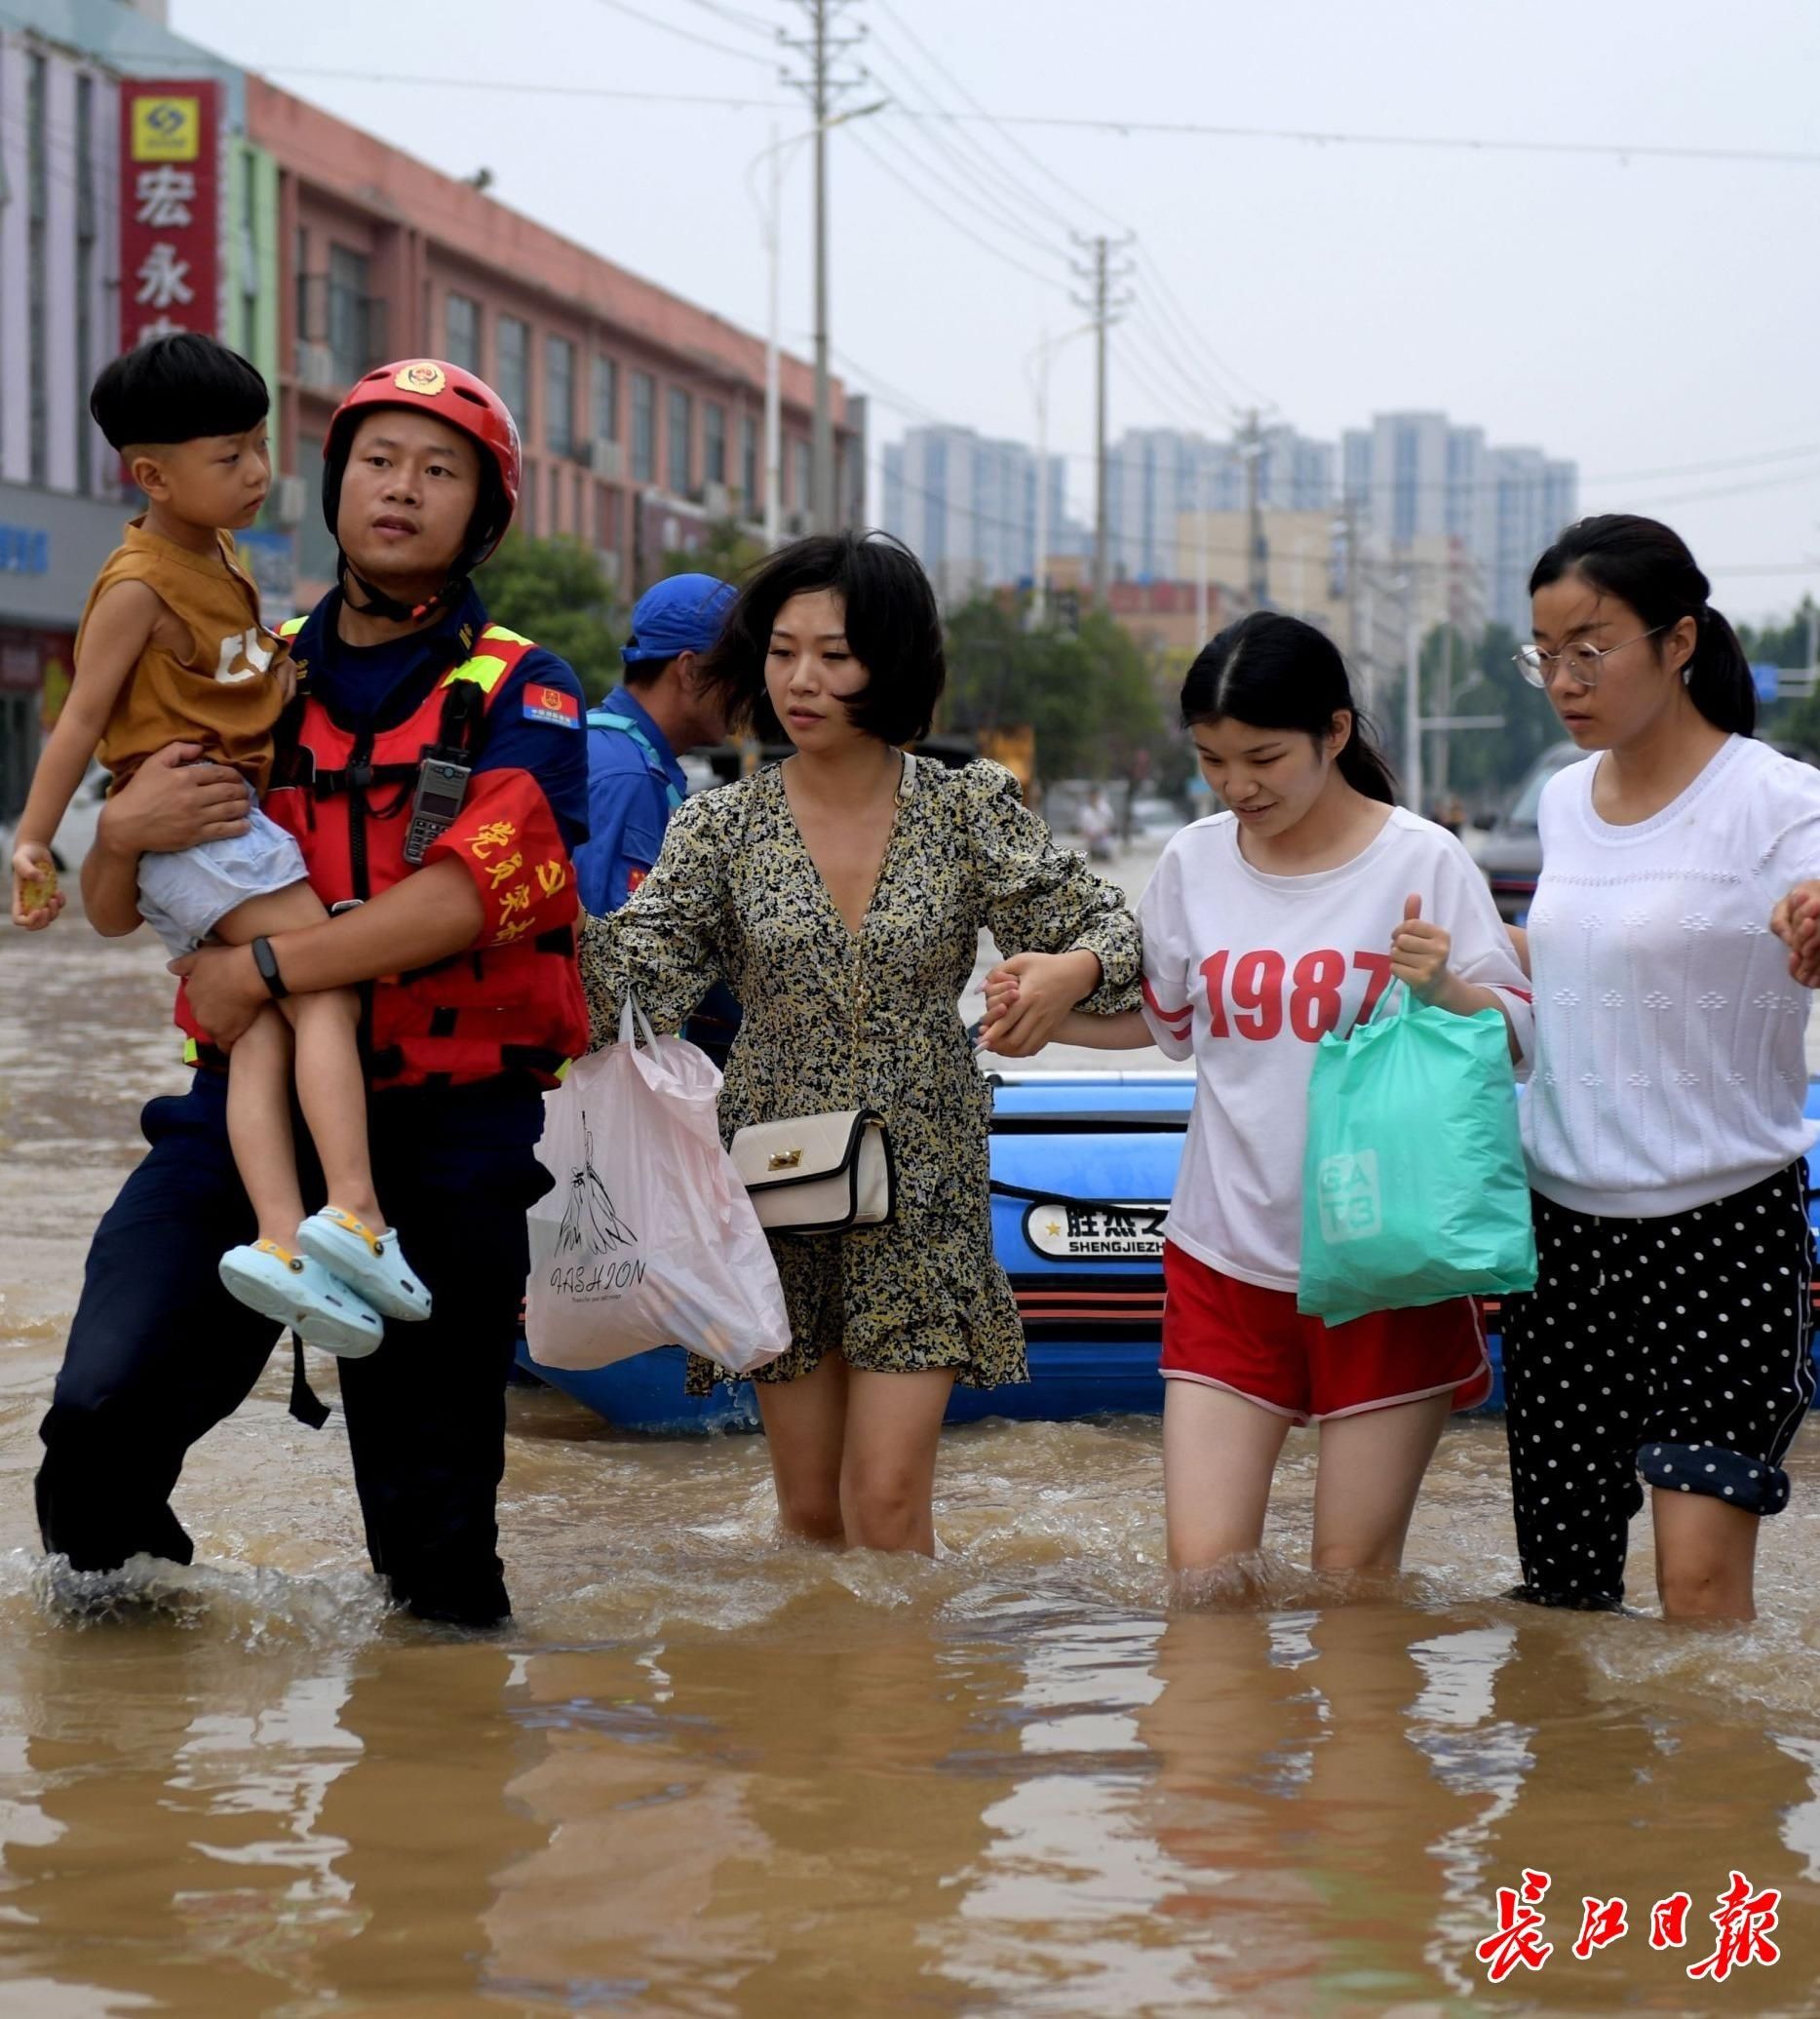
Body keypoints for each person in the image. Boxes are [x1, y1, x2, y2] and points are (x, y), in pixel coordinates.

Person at [34, 357, 590, 1628]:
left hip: (446, 1145)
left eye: (438, 469)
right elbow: (121, 906)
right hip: (243, 1110)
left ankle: (425, 1786)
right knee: (98, 1416)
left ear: (481, 512)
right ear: (334, 485)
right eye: (377, 461)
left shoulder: (523, 687)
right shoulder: (244, 667)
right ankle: (127, 1742)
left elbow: (468, 895)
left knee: (435, 1545)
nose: (401, 488)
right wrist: (116, 834)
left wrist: (263, 965)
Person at [578, 530, 1140, 1555]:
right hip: (772, 1182)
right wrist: (498, 902)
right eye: (782, 651)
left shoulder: (967, 807)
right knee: (807, 1515)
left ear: (890, 661)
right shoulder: (720, 828)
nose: (801, 680)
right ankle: (814, 1705)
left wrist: (1070, 971)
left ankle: (901, 1708)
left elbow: (1112, 929)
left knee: (885, 1505)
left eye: (833, 654)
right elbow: (628, 982)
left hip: (923, 1180)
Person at [984, 613, 1532, 1584]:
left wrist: (1444, 988)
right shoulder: (1194, 862)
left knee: (1351, 1588)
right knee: (1201, 1584)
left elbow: (1517, 1040)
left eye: (1262, 758)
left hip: (1382, 1260)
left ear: (1332, 733)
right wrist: (1046, 1011)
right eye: (1211, 759)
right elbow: (1169, 1025)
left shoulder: (1421, 862)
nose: (1236, 786)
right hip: (1224, 1254)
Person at [9, 333, 424, 1354]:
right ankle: (356, 1210)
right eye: (231, 455)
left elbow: (248, 676)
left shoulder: (218, 558)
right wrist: (30, 840)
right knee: (321, 979)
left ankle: (281, 1242)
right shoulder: (137, 585)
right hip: (201, 830)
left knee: (262, 1029)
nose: (259, 472)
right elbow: (76, 721)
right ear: (151, 475)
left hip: (219, 830)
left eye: (259, 446)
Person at [1498, 514, 1820, 1622]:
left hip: (1721, 1229)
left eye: (1589, 648)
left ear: (1678, 641)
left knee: (1694, 1587)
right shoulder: (1560, 804)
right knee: (1559, 1594)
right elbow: (1583, 967)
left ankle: (1713, 1797)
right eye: (1543, 653)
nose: (1562, 680)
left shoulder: (1777, 801)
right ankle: (1573, 1794)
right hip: (1560, 1234)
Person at [573, 571, 740, 1065]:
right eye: (738, 672)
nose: (754, 691)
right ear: (689, 671)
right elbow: (616, 969)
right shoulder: (629, 779)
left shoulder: (603, 742)